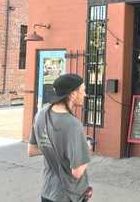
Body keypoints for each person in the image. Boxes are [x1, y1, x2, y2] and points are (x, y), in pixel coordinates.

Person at [28, 74, 92, 202]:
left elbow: (32, 150)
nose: (85, 94)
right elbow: (77, 172)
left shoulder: (41, 114)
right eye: (83, 90)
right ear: (73, 94)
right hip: (69, 196)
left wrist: (57, 147)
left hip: (47, 192)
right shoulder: (73, 125)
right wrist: (86, 148)